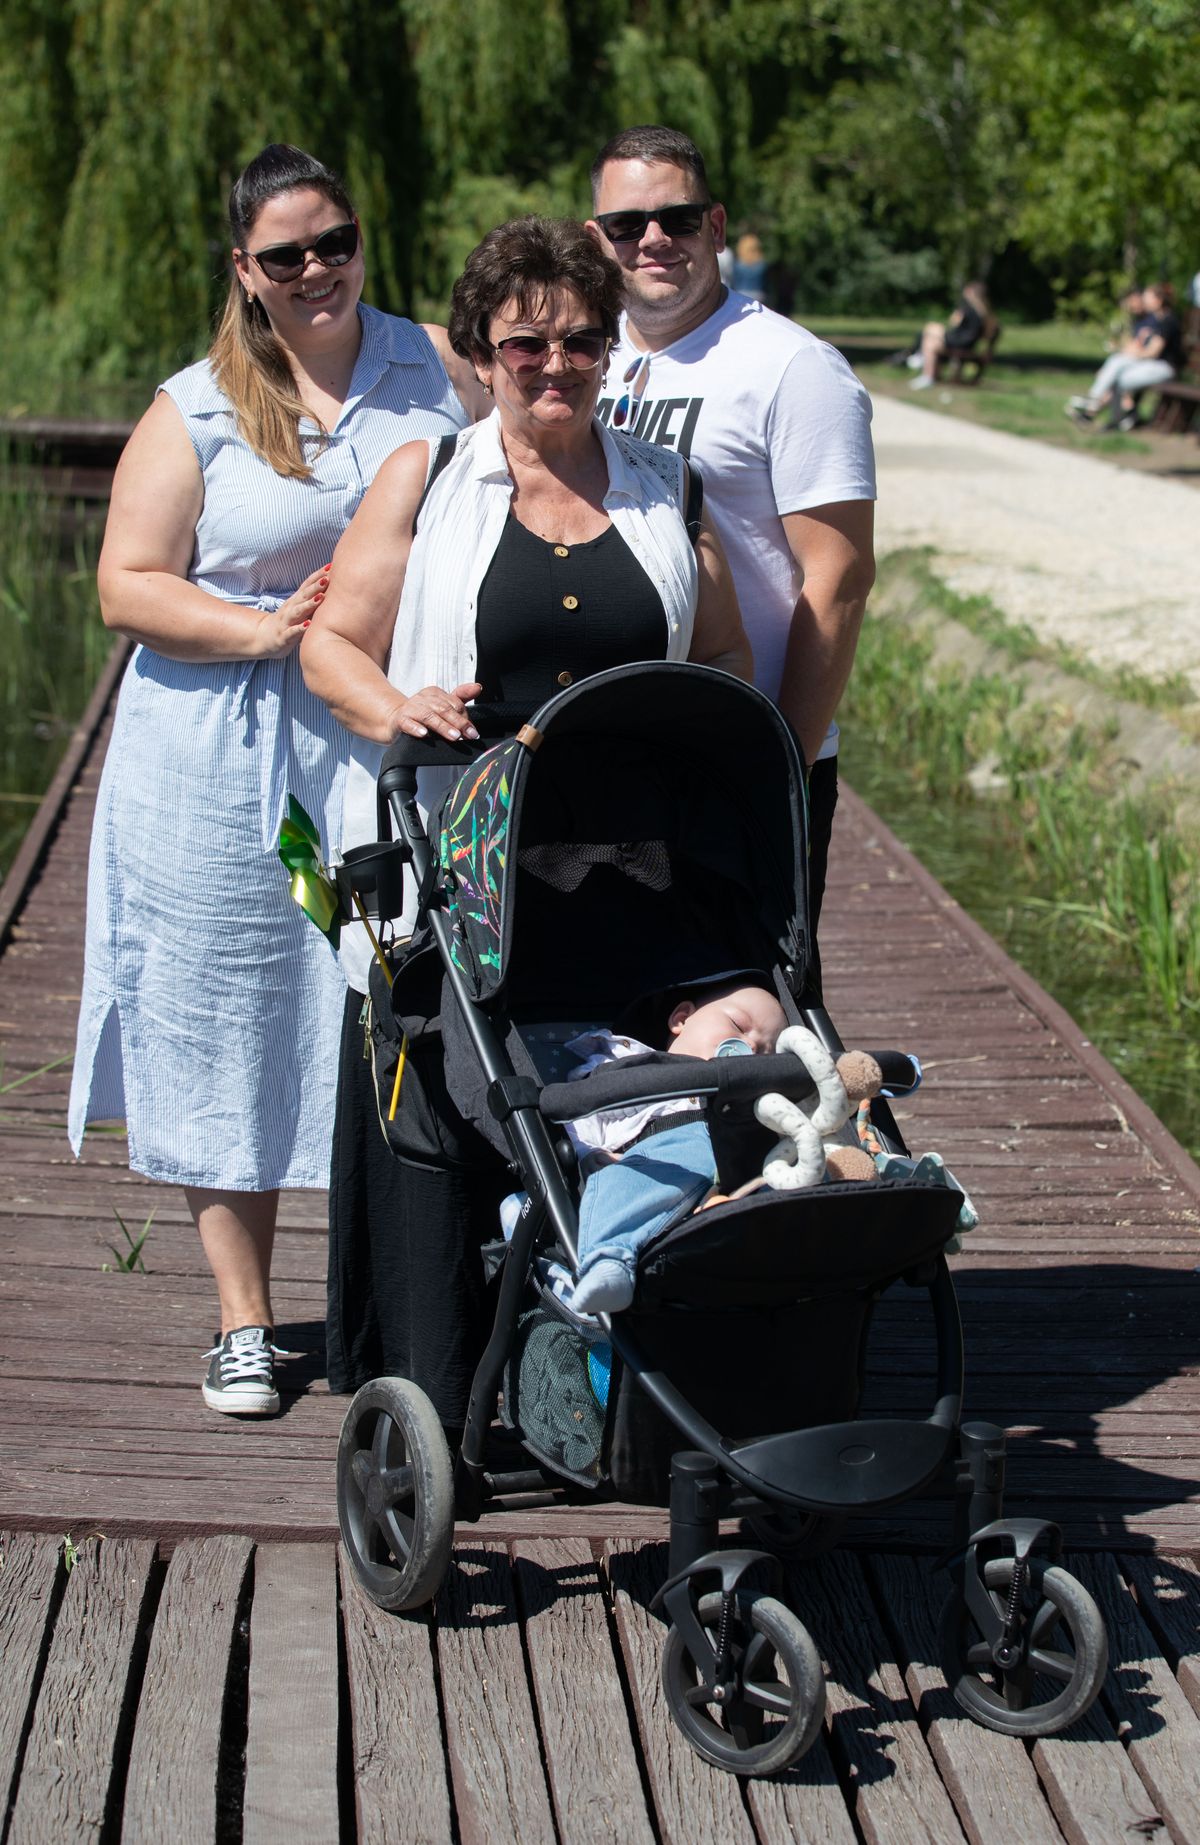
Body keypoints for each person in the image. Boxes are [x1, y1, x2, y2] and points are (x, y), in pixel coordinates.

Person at [301, 215, 750, 1429]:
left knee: (700, 1060)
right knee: (465, 1096)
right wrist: (402, 702)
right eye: (526, 345)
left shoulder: (666, 487)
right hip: (471, 868)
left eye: (585, 343)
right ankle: (452, 1384)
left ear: (614, 351)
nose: (557, 367)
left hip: (634, 875)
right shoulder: (430, 478)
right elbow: (332, 647)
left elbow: (718, 659)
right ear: (480, 349)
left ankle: (651, 1357)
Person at [67, 143, 484, 1418]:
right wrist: (261, 631)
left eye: (336, 242)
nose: (319, 271)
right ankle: (245, 1319)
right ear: (245, 272)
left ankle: (412, 1297)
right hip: (220, 753)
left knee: (404, 1001)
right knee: (224, 1005)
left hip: (389, 733)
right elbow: (124, 585)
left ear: (363, 239)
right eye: (287, 255)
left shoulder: (438, 369)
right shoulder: (198, 402)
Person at [587, 125, 876, 994]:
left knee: (759, 996)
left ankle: (844, 1130)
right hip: (612, 745)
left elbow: (840, 578)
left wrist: (777, 755)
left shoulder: (792, 368)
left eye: (675, 217)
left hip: (738, 748)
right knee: (625, 998)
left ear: (715, 225)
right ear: (595, 240)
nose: (652, 240)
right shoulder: (585, 359)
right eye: (625, 225)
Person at [561, 978, 788, 1314]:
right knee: (618, 1182)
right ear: (682, 1018)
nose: (751, 1049)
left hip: (738, 1178)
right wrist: (590, 1154)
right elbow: (584, 1113)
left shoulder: (753, 1100)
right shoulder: (629, 1064)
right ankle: (608, 1261)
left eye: (766, 1052)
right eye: (739, 1025)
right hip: (656, 1168)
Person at [1066, 283, 1183, 431]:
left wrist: (1129, 354)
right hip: (1151, 365)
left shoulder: (1168, 321)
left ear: (1159, 300)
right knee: (1116, 366)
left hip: (1164, 368)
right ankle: (1113, 413)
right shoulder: (1155, 320)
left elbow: (1153, 352)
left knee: (1119, 376)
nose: (1144, 300)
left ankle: (1106, 409)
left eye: (1148, 297)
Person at [909, 281, 995, 390]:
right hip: (969, 344)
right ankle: (920, 357)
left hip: (958, 342)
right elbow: (989, 334)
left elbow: (954, 323)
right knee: (932, 332)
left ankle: (926, 372)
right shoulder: (986, 313)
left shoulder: (966, 308)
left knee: (930, 339)